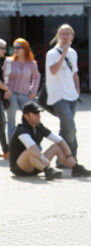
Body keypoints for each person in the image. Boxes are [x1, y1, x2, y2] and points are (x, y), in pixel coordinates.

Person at [45, 24, 89, 175]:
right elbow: (53, 70)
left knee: (66, 128)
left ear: (72, 36)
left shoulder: (73, 53)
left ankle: (63, 160)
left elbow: (74, 72)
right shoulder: (52, 53)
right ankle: (71, 159)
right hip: (58, 95)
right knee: (70, 127)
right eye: (62, 33)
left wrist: (77, 88)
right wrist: (62, 54)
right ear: (58, 35)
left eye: (68, 34)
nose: (65, 36)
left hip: (72, 95)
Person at [9, 101, 91, 180]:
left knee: (56, 147)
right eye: (35, 114)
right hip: (20, 168)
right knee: (29, 151)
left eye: (38, 113)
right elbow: (31, 146)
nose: (38, 116)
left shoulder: (39, 127)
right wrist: (43, 158)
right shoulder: (21, 130)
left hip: (37, 165)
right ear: (26, 116)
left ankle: (75, 167)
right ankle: (48, 171)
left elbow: (59, 140)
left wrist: (69, 156)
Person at [4, 38, 41, 141]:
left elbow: (37, 76)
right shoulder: (9, 62)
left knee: (31, 118)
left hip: (25, 94)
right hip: (11, 93)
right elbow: (4, 77)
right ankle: (12, 146)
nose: (16, 49)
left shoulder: (31, 63)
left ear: (25, 49)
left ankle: (35, 143)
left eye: (18, 47)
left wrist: (33, 90)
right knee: (11, 120)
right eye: (14, 47)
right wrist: (5, 91)